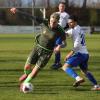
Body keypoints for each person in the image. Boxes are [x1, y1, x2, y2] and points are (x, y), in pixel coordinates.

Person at [10, 8, 66, 91]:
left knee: (35, 71)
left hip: (47, 53)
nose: (52, 23)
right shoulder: (44, 22)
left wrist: (59, 47)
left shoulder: (60, 30)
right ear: (49, 19)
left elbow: (65, 44)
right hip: (37, 48)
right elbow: (30, 16)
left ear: (58, 22)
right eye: (51, 21)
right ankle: (26, 74)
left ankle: (25, 83)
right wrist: (18, 11)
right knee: (27, 67)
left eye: (54, 22)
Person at [62, 15, 100, 90]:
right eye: (68, 23)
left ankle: (78, 78)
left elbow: (77, 45)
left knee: (65, 67)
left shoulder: (75, 30)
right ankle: (97, 86)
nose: (69, 24)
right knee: (84, 71)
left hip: (79, 54)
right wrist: (60, 31)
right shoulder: (78, 29)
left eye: (71, 22)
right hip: (85, 54)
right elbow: (66, 34)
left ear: (75, 22)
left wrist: (70, 54)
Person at [51, 2, 70, 69]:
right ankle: (57, 63)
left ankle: (57, 63)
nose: (61, 7)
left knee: (57, 46)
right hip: (54, 33)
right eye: (60, 6)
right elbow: (51, 22)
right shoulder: (55, 14)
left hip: (61, 33)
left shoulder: (66, 15)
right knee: (55, 47)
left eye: (63, 6)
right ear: (58, 7)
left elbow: (69, 24)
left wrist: (66, 31)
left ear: (64, 7)